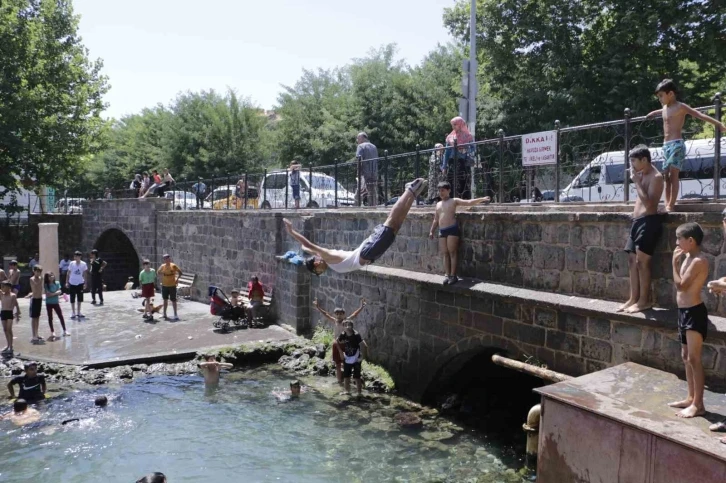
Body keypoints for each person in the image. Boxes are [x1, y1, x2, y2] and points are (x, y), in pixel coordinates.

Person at [287, 177, 428, 275]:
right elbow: (307, 248)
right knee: (396, 225)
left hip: (368, 251)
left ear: (317, 265)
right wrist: (304, 248)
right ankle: (411, 193)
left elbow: (309, 245)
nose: (320, 273)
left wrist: (292, 232)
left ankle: (410, 189)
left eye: (317, 272)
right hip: (369, 252)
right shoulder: (326, 259)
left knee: (391, 223)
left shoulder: (328, 257)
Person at [646, 79, 726, 212]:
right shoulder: (665, 108)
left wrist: (719, 124)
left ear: (670, 93)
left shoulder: (680, 107)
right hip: (666, 145)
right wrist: (653, 113)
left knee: (673, 175)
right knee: (665, 176)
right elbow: (663, 112)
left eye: (661, 96)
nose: (659, 99)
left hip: (677, 144)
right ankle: (666, 203)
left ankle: (671, 205)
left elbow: (699, 114)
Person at [666, 223, 709, 419]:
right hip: (683, 312)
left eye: (679, 239)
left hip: (694, 313)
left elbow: (682, 286)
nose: (676, 243)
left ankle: (699, 404)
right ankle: (691, 397)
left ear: (690, 241)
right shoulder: (689, 257)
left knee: (694, 358)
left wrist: (674, 265)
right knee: (685, 357)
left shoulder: (698, 261)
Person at [617, 145, 665, 314]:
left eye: (633, 161)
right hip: (637, 221)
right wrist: (637, 179)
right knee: (631, 260)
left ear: (644, 160)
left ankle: (644, 301)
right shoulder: (642, 174)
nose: (631, 165)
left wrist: (636, 182)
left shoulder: (656, 177)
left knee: (642, 262)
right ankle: (633, 298)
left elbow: (651, 206)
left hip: (649, 221)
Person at [429, 181, 491, 285]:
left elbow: (468, 202)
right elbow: (436, 219)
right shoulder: (438, 204)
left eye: (443, 190)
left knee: (452, 252)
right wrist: (431, 231)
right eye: (439, 191)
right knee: (445, 253)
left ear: (448, 190)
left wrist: (482, 199)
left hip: (452, 229)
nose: (441, 193)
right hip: (442, 231)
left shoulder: (454, 201)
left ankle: (453, 276)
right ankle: (447, 275)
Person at [313, 297, 366, 384]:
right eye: (337, 314)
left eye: (341, 314)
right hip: (336, 344)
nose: (339, 315)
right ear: (335, 315)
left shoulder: (346, 321)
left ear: (344, 314)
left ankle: (348, 380)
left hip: (346, 344)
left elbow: (355, 314)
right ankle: (339, 381)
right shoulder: (335, 321)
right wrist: (318, 307)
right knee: (338, 364)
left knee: (347, 363)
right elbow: (326, 314)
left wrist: (362, 307)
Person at [442, 117, 475, 199]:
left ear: (460, 125)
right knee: (452, 182)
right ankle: (452, 200)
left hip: (463, 162)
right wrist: (444, 166)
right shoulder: (450, 137)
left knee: (464, 181)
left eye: (454, 125)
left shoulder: (468, 136)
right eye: (452, 125)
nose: (453, 127)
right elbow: (447, 152)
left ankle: (464, 200)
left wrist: (465, 149)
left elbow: (473, 148)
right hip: (452, 162)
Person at [337, 320, 369, 396]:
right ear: (343, 327)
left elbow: (364, 346)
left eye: (349, 325)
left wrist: (362, 357)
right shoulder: (343, 334)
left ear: (352, 326)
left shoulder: (356, 335)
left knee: (357, 376)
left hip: (356, 358)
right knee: (346, 375)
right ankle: (346, 391)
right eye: (345, 325)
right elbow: (337, 341)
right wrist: (341, 352)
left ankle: (359, 393)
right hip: (347, 357)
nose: (347, 327)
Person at [356, 132, 379, 206]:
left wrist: (358, 172)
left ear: (362, 138)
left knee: (360, 190)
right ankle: (373, 206)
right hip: (374, 172)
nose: (357, 140)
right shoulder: (374, 147)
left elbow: (359, 159)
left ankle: (357, 206)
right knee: (372, 191)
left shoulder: (361, 146)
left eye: (358, 138)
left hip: (365, 173)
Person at [158, 254, 181, 321]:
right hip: (164, 285)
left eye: (168, 258)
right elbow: (158, 272)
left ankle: (175, 315)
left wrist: (177, 279)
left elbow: (180, 272)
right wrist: (161, 279)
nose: (167, 260)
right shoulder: (162, 266)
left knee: (173, 300)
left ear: (169, 259)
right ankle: (164, 314)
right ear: (164, 260)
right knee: (165, 300)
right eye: (165, 259)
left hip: (172, 285)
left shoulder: (173, 266)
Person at [44, 272, 68, 338]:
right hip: (48, 303)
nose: (51, 277)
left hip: (56, 302)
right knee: (50, 317)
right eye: (49, 276)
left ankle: (65, 330)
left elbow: (60, 292)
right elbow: (47, 294)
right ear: (47, 278)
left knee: (60, 316)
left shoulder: (57, 283)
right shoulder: (46, 285)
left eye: (52, 275)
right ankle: (52, 331)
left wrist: (53, 294)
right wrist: (55, 293)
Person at [66, 250, 88, 319]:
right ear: (74, 257)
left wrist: (85, 283)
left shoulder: (83, 264)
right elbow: (68, 272)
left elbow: (85, 274)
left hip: (80, 283)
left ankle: (79, 312)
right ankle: (73, 312)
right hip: (72, 282)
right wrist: (67, 282)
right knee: (72, 298)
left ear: (80, 257)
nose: (77, 257)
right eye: (75, 256)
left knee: (80, 298)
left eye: (78, 256)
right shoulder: (71, 263)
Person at [25, 265, 44, 343]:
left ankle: (37, 333)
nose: (38, 273)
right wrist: (41, 279)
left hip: (39, 299)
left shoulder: (41, 278)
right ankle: (33, 335)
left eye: (40, 272)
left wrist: (41, 279)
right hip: (34, 299)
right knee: (33, 317)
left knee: (37, 317)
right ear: (34, 271)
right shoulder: (32, 279)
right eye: (37, 271)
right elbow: (35, 286)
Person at [1, 280, 20, 353]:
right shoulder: (1, 294)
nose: (2, 288)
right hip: (3, 312)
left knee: (9, 329)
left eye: (3, 287)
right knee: (5, 329)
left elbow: (16, 304)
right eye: (1, 287)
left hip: (9, 313)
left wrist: (17, 314)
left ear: (8, 287)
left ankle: (11, 346)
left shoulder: (13, 295)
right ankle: (8, 344)